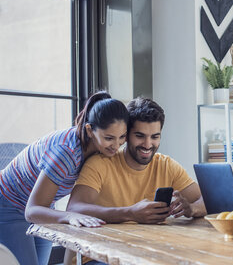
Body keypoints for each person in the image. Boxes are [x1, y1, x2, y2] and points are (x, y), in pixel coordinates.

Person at [0, 91, 129, 265]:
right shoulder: (67, 152)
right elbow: (31, 211)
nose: (116, 146)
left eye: (122, 137)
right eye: (109, 138)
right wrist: (70, 216)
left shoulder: (97, 149)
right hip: (9, 203)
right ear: (90, 130)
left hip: (43, 205)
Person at [67, 97, 206, 226]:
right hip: (96, 250)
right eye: (140, 136)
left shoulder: (167, 166)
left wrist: (192, 209)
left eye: (155, 137)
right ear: (125, 135)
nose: (147, 144)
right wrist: (130, 213)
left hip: (145, 248)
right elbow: (75, 207)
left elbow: (209, 200)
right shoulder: (99, 164)